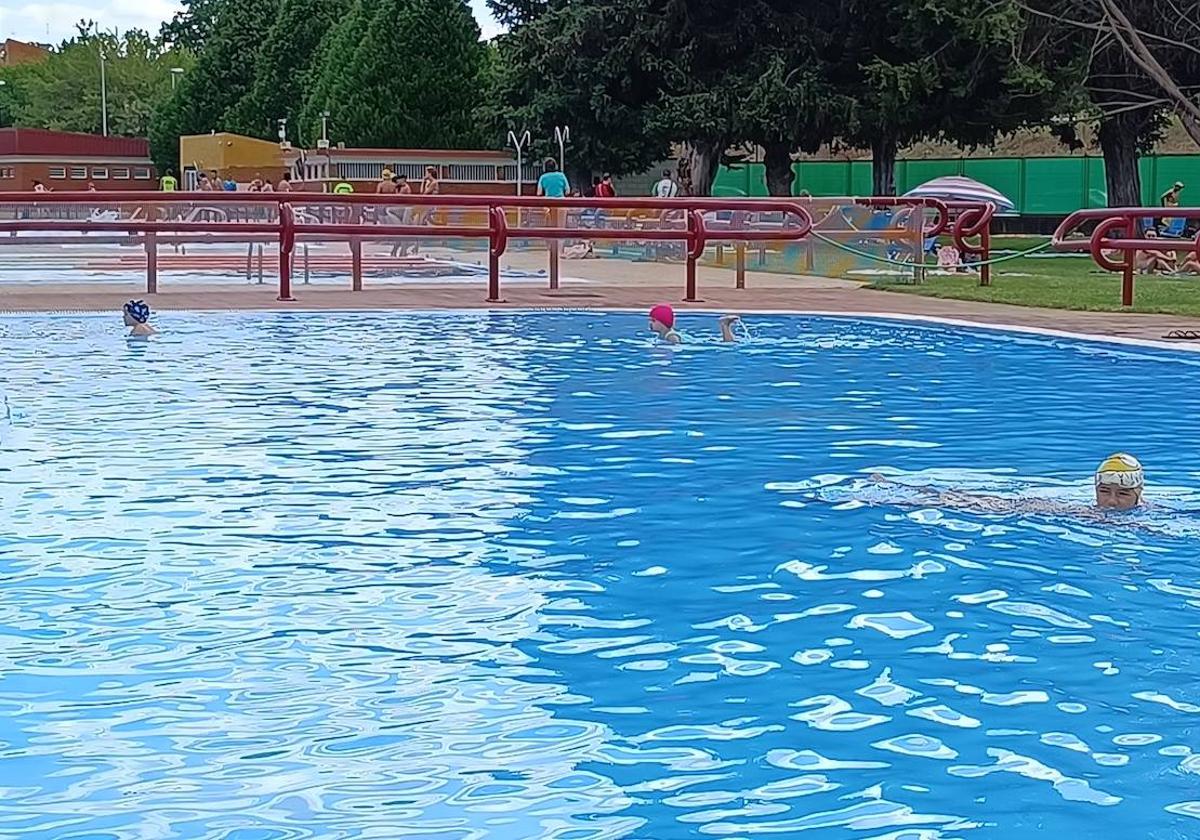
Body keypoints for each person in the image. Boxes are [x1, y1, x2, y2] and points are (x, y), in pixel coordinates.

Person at [864, 453, 1147, 517]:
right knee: (955, 499)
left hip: (1034, 509)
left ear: (1138, 494)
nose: (1111, 502)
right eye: (1104, 492)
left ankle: (893, 491)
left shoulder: (1149, 515)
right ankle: (894, 490)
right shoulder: (1091, 513)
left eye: (1122, 494)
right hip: (1027, 508)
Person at [648, 304, 741, 344]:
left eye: (653, 320)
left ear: (662, 322)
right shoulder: (663, 335)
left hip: (699, 343)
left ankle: (725, 325)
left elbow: (677, 347)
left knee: (728, 344)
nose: (650, 323)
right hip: (696, 341)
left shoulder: (671, 336)